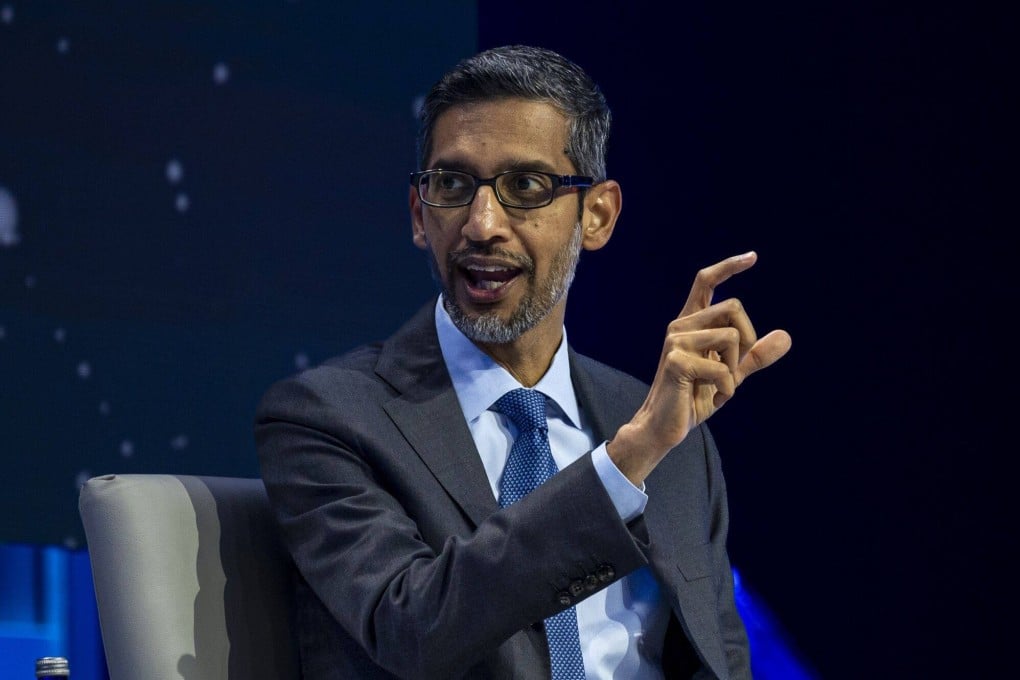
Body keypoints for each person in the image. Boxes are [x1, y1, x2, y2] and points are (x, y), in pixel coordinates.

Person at [255, 44, 792, 680]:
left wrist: (649, 446)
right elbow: (412, 630)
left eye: (525, 187)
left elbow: (722, 659)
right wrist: (624, 463)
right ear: (419, 214)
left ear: (596, 215)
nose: (482, 224)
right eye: (452, 185)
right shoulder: (328, 419)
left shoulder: (674, 441)